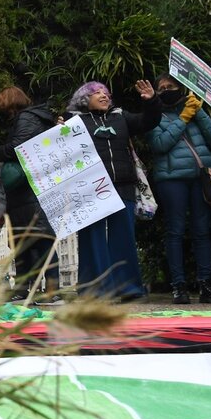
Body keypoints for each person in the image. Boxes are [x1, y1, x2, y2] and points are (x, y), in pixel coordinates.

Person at [65, 80, 161, 300]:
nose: (103, 95)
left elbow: (149, 120)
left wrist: (151, 101)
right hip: (90, 189)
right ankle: (93, 291)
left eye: (106, 92)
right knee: (92, 238)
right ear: (84, 99)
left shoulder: (121, 117)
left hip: (123, 185)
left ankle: (128, 289)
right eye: (96, 92)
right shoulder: (74, 122)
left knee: (123, 237)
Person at [147, 75, 211, 304]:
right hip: (171, 178)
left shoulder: (194, 108)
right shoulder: (155, 115)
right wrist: (184, 119)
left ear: (181, 88)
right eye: (162, 88)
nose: (166, 90)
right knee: (175, 231)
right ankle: (179, 286)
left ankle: (206, 284)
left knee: (202, 230)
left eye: (171, 86)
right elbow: (160, 144)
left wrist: (198, 111)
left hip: (201, 176)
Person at [0, 86, 60, 304]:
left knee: (36, 238)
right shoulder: (36, 118)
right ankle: (35, 288)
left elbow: (18, 147)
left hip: (27, 189)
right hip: (30, 189)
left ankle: (45, 289)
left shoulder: (26, 118)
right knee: (27, 239)